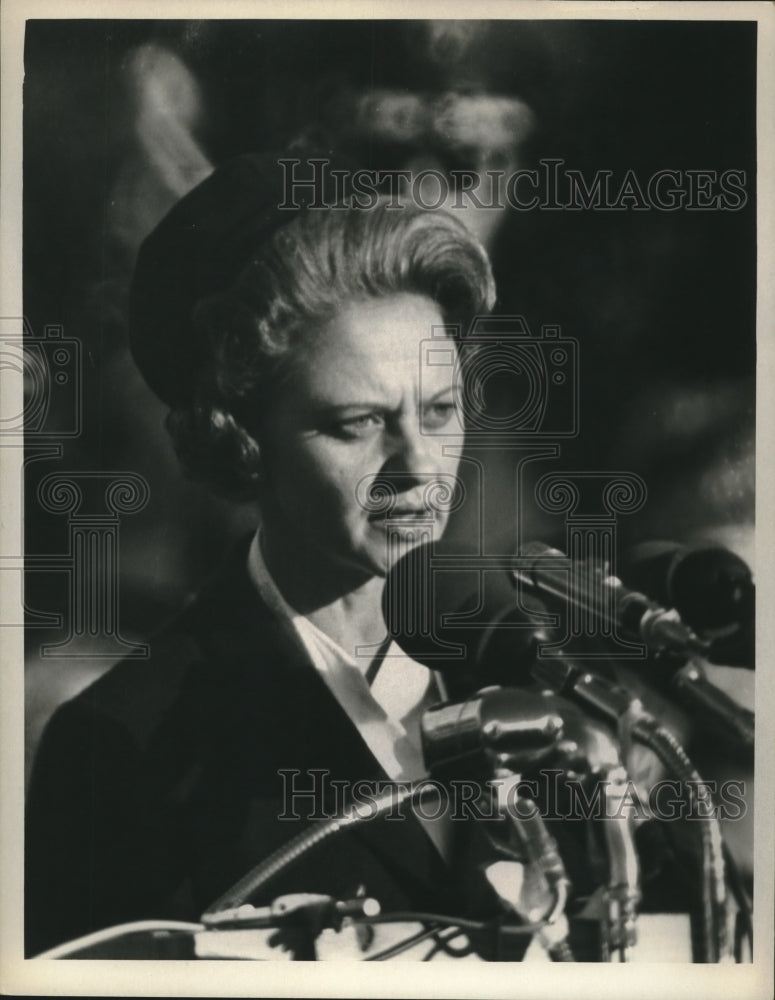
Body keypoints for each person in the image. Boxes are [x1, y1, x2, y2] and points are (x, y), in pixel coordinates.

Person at [24, 151, 503, 957]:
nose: (420, 465)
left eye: (441, 409)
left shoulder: (545, 675)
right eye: (357, 424)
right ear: (243, 442)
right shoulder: (122, 745)